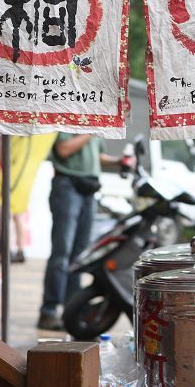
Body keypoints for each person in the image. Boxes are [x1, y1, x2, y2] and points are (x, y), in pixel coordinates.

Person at [37, 134, 123, 331]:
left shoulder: (94, 122)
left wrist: (119, 161)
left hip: (89, 189)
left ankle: (71, 310)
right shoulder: (72, 118)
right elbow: (63, 149)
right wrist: (91, 129)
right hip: (67, 185)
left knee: (79, 257)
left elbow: (97, 155)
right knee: (62, 253)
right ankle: (48, 311)